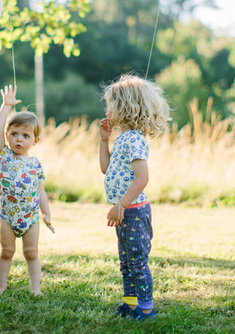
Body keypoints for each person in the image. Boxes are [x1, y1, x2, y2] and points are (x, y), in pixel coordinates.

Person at [98, 73, 170, 321]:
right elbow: (106, 168)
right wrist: (104, 141)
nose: (106, 109)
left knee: (137, 261)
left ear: (123, 107)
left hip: (134, 211)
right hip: (124, 211)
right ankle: (130, 305)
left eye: (109, 104)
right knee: (126, 261)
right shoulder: (122, 138)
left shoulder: (135, 140)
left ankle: (146, 309)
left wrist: (121, 205)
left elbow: (142, 178)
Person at [0, 85, 54, 296]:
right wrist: (6, 106)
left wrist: (46, 213)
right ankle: (1, 286)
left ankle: (35, 289)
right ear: (8, 135)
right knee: (7, 251)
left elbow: (40, 191)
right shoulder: (3, 156)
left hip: (30, 217)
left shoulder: (35, 164)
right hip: (8, 216)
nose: (19, 139)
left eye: (25, 136)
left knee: (31, 253)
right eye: (14, 134)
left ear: (35, 141)